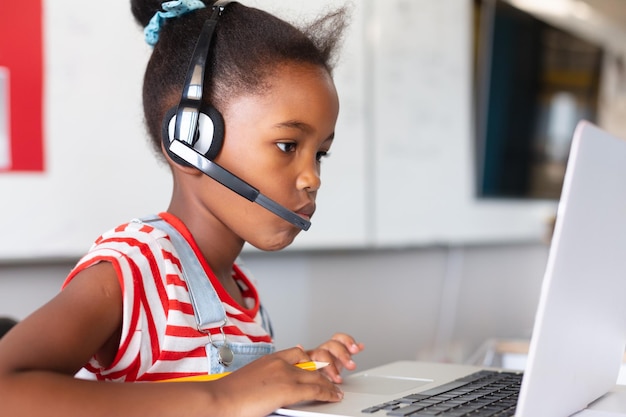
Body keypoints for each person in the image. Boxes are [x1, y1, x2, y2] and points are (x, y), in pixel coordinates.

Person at [0, 1, 364, 416]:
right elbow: (6, 388)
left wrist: (293, 373)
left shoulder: (241, 294)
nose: (311, 178)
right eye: (287, 146)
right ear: (190, 140)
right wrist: (224, 397)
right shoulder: (137, 268)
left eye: (320, 154)